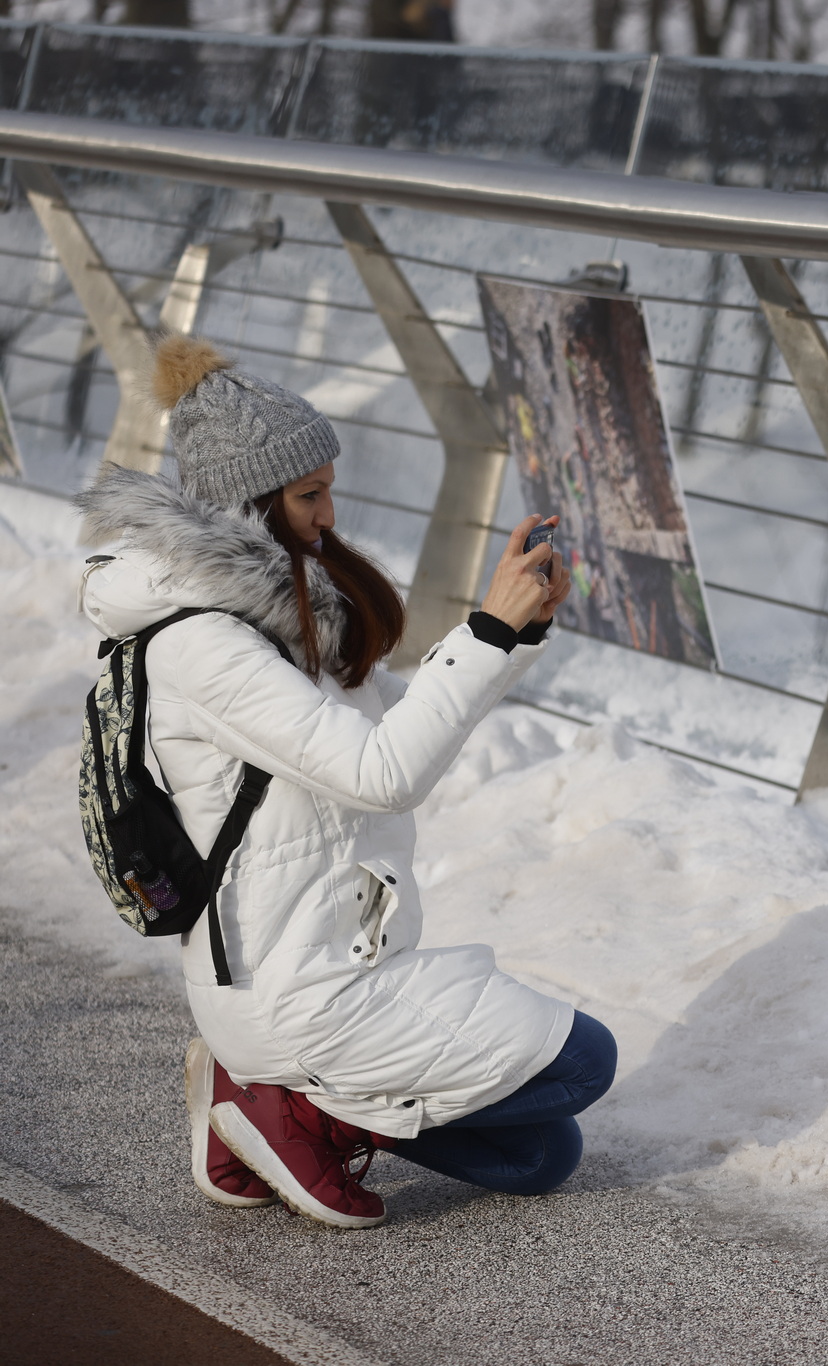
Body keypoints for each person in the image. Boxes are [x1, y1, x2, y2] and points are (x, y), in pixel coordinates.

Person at [77, 336, 613, 1230]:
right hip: (291, 990)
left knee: (541, 1154)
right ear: (247, 504)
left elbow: (400, 718)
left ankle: (267, 1099)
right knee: (585, 1062)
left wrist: (509, 630)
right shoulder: (201, 646)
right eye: (309, 494)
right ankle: (280, 1103)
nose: (329, 516)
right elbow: (384, 772)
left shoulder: (281, 616)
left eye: (329, 489)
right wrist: (485, 629)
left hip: (344, 962)